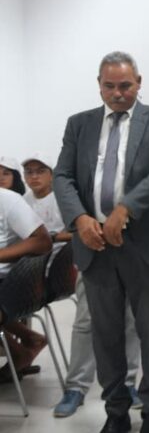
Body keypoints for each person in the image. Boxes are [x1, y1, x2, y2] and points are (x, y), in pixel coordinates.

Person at [54, 51, 149, 433]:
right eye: (110, 86)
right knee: (105, 336)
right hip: (95, 246)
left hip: (145, 245)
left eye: (125, 85)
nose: (118, 93)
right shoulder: (80, 124)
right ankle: (116, 412)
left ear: (138, 83)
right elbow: (62, 176)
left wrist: (126, 209)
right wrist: (80, 218)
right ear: (99, 85)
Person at [21, 153, 144, 418]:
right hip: (91, 249)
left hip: (131, 243)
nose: (34, 176)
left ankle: (128, 383)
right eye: (29, 171)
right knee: (86, 321)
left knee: (130, 318)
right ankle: (76, 387)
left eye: (39, 170)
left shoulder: (135, 153)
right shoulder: (79, 160)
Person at [0, 156, 51, 382]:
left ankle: (21, 349)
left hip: (10, 283)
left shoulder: (8, 200)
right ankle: (25, 344)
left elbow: (43, 241)